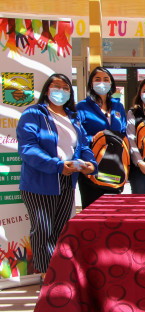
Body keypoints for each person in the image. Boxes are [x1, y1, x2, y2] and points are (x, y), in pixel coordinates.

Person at [17, 73, 97, 275]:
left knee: (61, 228)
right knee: (43, 229)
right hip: (40, 181)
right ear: (47, 89)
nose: (60, 91)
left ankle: (57, 269)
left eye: (65, 88)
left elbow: (83, 146)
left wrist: (91, 164)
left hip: (67, 179)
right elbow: (28, 148)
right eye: (56, 86)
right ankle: (45, 273)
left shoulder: (72, 117)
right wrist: (57, 165)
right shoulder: (33, 114)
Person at [76, 67, 127, 209]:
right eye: (97, 79)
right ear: (91, 84)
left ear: (111, 84)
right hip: (92, 165)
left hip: (115, 166)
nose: (102, 83)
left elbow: (123, 133)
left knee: (112, 212)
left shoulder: (118, 106)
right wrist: (99, 139)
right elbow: (79, 135)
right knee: (92, 210)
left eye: (106, 79)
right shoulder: (82, 106)